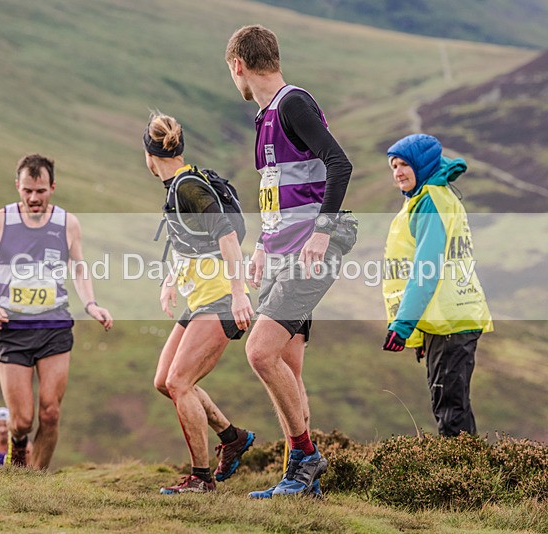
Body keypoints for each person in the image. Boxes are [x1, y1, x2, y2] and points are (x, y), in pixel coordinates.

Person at [226, 25, 353, 498]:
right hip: (283, 249)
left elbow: (340, 164)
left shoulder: (293, 103)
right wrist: (262, 244)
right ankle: (299, 479)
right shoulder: (264, 117)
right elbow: (279, 196)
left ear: (238, 64)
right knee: (288, 366)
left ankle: (306, 456)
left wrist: (322, 233)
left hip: (314, 248)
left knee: (259, 352)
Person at [0, 154, 113, 469]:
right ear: (17, 187)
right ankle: (19, 446)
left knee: (50, 412)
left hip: (54, 327)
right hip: (12, 330)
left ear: (52, 187)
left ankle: (37, 480)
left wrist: (91, 304)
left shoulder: (66, 223)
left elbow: (79, 267)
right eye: (27, 191)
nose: (34, 198)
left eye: (41, 191)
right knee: (20, 421)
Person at [143, 112, 257, 495]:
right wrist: (170, 281)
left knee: (180, 381)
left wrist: (240, 293)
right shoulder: (178, 186)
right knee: (165, 382)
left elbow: (225, 235)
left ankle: (201, 478)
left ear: (150, 154)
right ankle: (233, 436)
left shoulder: (188, 187)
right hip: (200, 298)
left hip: (221, 298)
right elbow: (191, 243)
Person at [381, 133, 493, 437]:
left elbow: (425, 270)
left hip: (450, 321)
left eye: (405, 164)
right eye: (394, 166)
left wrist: (403, 327)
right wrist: (421, 337)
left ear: (424, 164)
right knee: (450, 403)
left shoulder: (431, 202)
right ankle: (468, 475)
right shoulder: (426, 198)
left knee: (451, 410)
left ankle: (464, 479)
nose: (398, 172)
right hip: (444, 321)